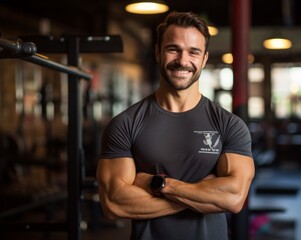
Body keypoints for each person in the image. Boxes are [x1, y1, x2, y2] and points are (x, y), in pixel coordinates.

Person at [96, 11, 255, 240]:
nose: (183, 61)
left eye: (193, 52)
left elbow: (233, 199)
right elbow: (114, 204)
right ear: (158, 53)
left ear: (204, 59)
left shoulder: (229, 125)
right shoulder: (125, 124)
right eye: (173, 49)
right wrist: (203, 193)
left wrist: (158, 184)